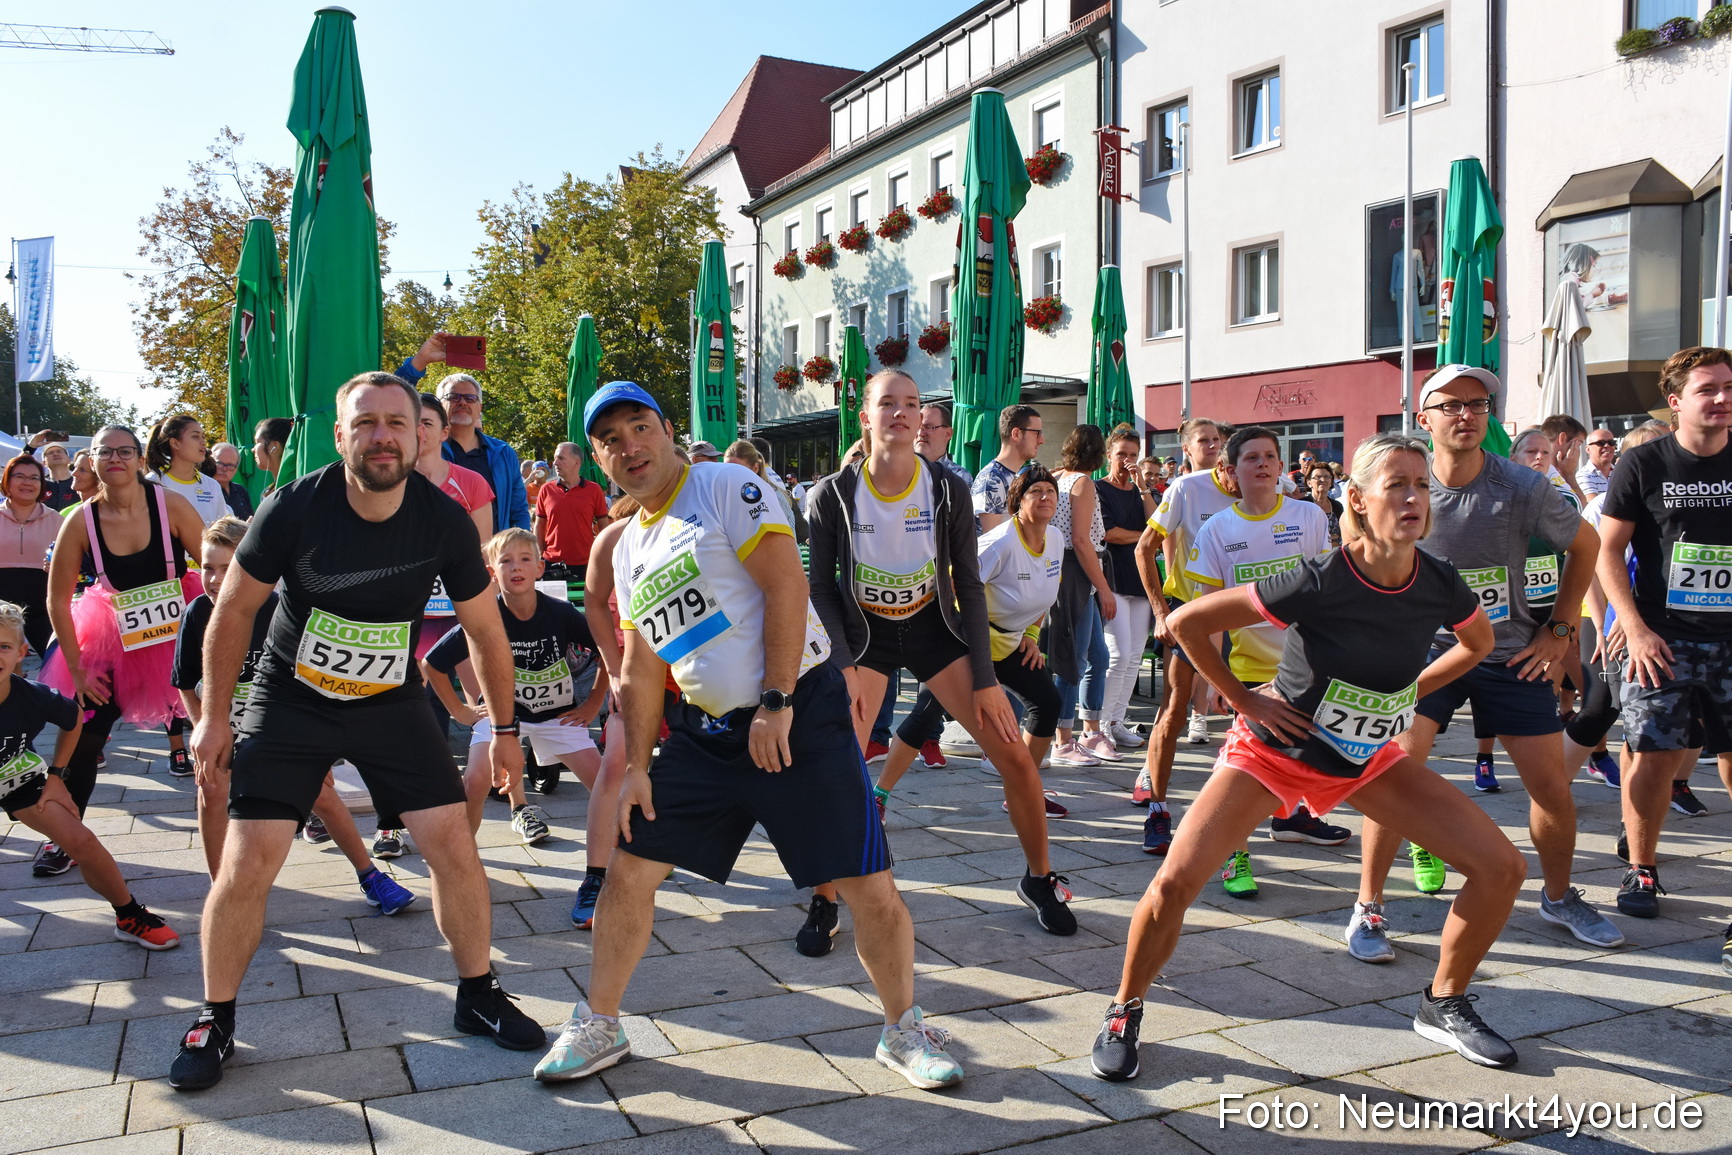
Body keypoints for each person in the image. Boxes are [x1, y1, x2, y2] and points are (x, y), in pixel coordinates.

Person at [533, 380, 965, 1090]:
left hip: (799, 715)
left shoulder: (726, 486)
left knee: (867, 884)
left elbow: (785, 587)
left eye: (640, 427)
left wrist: (777, 699)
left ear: (668, 429)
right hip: (704, 735)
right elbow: (642, 668)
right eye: (611, 440)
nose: (629, 447)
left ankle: (903, 1028)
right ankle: (600, 1023)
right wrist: (636, 764)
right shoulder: (629, 546)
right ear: (599, 459)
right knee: (629, 870)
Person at [1091, 433, 1526, 1080]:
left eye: (1422, 486)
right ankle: (1124, 1008)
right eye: (1397, 485)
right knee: (1175, 883)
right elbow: (1186, 624)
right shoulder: (1321, 577)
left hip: (1364, 755)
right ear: (1357, 498)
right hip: (1275, 750)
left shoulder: (1438, 581)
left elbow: (1478, 642)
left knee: (1501, 867)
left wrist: (1408, 691)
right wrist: (1244, 699)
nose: (1413, 497)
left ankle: (1443, 1000)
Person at [169, 372, 542, 1092]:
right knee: (251, 860)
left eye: (396, 423)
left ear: (419, 434)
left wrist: (504, 727)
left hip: (387, 697)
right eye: (364, 423)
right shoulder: (293, 506)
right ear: (339, 437)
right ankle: (214, 1019)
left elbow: (486, 632)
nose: (381, 436)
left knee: (453, 845)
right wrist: (214, 716)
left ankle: (478, 993)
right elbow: (232, 612)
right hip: (291, 696)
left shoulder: (441, 519)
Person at [1347, 365, 1619, 962]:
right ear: (1425, 419)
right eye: (1451, 405)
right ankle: (1368, 906)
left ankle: (1556, 895)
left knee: (1551, 785)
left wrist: (1561, 627)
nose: (1466, 414)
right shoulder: (1404, 480)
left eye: (1478, 404)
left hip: (1508, 651)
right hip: (1425, 652)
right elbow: (1355, 542)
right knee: (1392, 774)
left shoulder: (1521, 486)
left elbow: (1587, 546)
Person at [805, 368, 1075, 943]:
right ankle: (825, 898)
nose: (900, 413)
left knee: (1016, 759)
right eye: (887, 403)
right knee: (839, 773)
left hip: (934, 629)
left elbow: (971, 586)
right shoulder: (830, 493)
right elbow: (822, 587)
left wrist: (984, 681)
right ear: (866, 416)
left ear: (922, 418)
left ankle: (1040, 878)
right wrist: (844, 667)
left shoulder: (946, 487)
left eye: (911, 404)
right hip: (865, 639)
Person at [173, 516, 413, 914]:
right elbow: (184, 681)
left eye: (226, 568)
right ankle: (224, 893)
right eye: (207, 568)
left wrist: (319, 746)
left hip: (279, 726)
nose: (215, 579)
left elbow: (310, 679)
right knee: (211, 791)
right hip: (221, 728)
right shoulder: (197, 613)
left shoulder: (280, 610)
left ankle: (371, 876)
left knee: (324, 795)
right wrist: (204, 729)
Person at [1594, 346, 1732, 925]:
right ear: (1675, 403)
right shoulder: (1645, 464)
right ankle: (1643, 867)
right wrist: (1634, 626)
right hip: (1663, 638)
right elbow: (1607, 551)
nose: (1724, 398)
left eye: (1729, 387)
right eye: (1709, 390)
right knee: (1652, 754)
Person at [1179, 426, 1343, 885]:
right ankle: (1234, 854)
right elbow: (1204, 616)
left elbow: (1328, 593)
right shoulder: (1216, 530)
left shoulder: (1308, 517)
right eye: (1252, 457)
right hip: (1249, 670)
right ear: (1231, 471)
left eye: (1271, 456)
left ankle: (1293, 820)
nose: (1264, 464)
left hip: (1310, 665)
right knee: (1238, 769)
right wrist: (1213, 681)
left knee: (1321, 756)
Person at [41, 426, 206, 878]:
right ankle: (66, 836)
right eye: (104, 452)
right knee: (85, 732)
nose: (115, 458)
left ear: (138, 458)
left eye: (124, 451)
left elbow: (216, 567)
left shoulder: (170, 504)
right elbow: (57, 599)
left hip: (178, 627)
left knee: (225, 725)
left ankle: (267, 814)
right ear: (91, 461)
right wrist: (75, 668)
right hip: (113, 631)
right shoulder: (79, 520)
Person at [875, 464, 1067, 814]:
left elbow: (1045, 591)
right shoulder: (1000, 542)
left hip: (1010, 644)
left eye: (1050, 492)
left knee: (1048, 701)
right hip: (968, 643)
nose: (1045, 497)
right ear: (1017, 502)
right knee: (927, 714)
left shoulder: (1055, 539)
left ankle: (1024, 791)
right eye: (1035, 492)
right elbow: (953, 582)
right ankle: (879, 796)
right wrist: (953, 642)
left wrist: (1033, 634)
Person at [0, 600, 181, 949]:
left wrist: (56, 777)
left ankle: (128, 915)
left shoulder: (35, 697)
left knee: (81, 841)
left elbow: (73, 722)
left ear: (22, 652)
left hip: (17, 777)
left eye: (3, 646)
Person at [423, 527, 606, 847]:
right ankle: (457, 857)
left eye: (524, 559)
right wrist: (460, 711)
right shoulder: (483, 616)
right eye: (506, 561)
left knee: (605, 784)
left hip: (557, 715)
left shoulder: (561, 612)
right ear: (493, 573)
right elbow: (432, 665)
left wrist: (592, 703)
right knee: (475, 781)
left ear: (539, 568)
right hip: (498, 716)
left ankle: (635, 853)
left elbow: (606, 652)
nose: (516, 566)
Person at [1133, 418, 1233, 838]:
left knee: (1236, 713)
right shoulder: (1186, 489)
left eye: (1218, 441)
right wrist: (1161, 613)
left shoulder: (1275, 495)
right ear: (1189, 450)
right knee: (1174, 706)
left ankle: (1281, 811)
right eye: (1204, 442)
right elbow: (1146, 547)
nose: (1213, 448)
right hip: (1191, 609)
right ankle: (1155, 800)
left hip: (1245, 617)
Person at [1560, 420, 1674, 793]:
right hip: (1607, 616)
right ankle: (1550, 782)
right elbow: (1592, 565)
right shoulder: (1604, 506)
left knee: (1647, 715)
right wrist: (1614, 619)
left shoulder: (1678, 499)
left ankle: (1663, 788)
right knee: (1599, 707)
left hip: (1660, 618)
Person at [567, 493, 641, 929]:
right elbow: (597, 612)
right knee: (615, 764)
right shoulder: (616, 540)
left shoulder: (698, 526)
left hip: (692, 672)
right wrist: (614, 674)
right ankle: (594, 876)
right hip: (637, 676)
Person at [1049, 425, 1118, 765]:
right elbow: (1081, 540)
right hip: (1078, 572)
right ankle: (1062, 738)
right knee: (1073, 661)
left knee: (1097, 656)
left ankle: (1089, 730)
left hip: (1072, 571)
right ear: (1099, 453)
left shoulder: (1060, 477)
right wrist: (1104, 588)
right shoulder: (1082, 482)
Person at [1096, 426, 1155, 753]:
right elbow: (1109, 533)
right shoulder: (1098, 488)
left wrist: (1143, 485)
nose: (1127, 461)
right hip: (1113, 577)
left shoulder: (1138, 491)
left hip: (1139, 578)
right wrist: (1144, 536)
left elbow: (1156, 521)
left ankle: (1117, 722)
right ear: (1109, 455)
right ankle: (1101, 725)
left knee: (1134, 657)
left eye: (1133, 455)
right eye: (1122, 454)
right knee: (1116, 656)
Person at [0, 455, 63, 655]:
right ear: (7, 481)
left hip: (43, 610)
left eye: (34, 478)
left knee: (56, 659)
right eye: (20, 476)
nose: (27, 482)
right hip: (1, 612)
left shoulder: (57, 521)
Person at [535, 442, 612, 582]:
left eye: (561, 458)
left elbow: (604, 527)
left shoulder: (594, 490)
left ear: (576, 463)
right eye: (555, 458)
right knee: (553, 604)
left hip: (585, 563)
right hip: (551, 563)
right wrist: (539, 555)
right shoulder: (546, 490)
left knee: (584, 603)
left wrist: (603, 556)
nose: (555, 463)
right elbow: (539, 526)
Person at [146, 416, 231, 526]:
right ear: (175, 443)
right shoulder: (153, 483)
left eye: (203, 436)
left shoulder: (212, 485)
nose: (203, 442)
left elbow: (224, 528)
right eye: (195, 436)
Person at [972, 404, 1044, 533]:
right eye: (1036, 433)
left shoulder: (1020, 475)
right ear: (1016, 434)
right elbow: (990, 542)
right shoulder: (992, 479)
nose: (1041, 440)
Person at [1541, 413, 1590, 506]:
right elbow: (1579, 506)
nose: (1578, 450)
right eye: (1578, 444)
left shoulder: (1556, 470)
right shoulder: (1543, 470)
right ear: (1562, 438)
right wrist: (1569, 473)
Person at [1303, 462, 1344, 548]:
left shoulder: (1337, 506)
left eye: (1327, 476)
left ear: (1331, 481)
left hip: (1335, 555)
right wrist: (1329, 539)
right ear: (1309, 482)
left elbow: (1343, 534)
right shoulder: (1302, 506)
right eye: (1318, 477)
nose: (1323, 480)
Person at [209, 444, 254, 521]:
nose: (224, 469)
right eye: (219, 463)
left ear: (236, 469)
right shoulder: (204, 491)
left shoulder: (241, 491)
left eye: (230, 465)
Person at [252, 417, 293, 495]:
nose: (253, 449)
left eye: (257, 442)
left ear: (274, 447)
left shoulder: (292, 489)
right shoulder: (269, 491)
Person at [1577, 427, 1618, 497]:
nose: (1607, 445)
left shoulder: (1619, 472)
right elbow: (1594, 504)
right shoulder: (1584, 475)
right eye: (1601, 443)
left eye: (1611, 442)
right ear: (1588, 449)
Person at [38, 442, 76, 511]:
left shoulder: (78, 482)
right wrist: (30, 447)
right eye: (50, 453)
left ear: (69, 459)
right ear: (44, 463)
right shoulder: (39, 484)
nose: (55, 454)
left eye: (59, 451)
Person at [59, 450, 98, 516]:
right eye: (74, 467)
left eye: (82, 470)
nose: (73, 473)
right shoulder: (66, 513)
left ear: (98, 476)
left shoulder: (109, 512)